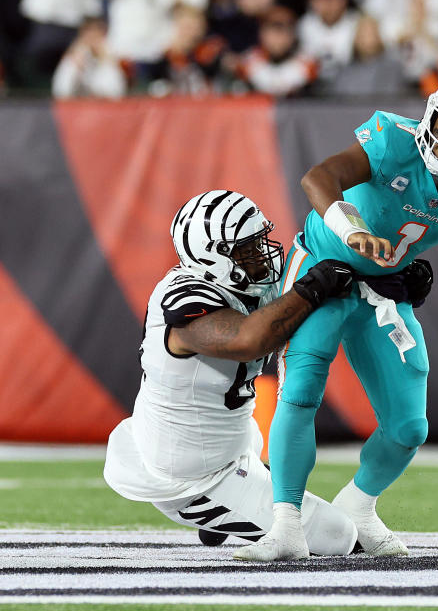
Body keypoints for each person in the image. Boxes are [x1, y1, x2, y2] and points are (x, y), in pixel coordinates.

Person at [233, 73, 438, 561]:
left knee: (409, 426)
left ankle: (360, 505)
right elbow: (318, 178)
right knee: (301, 390)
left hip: (385, 291)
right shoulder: (393, 137)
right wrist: (353, 232)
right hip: (322, 272)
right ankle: (285, 524)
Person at [103, 190, 358, 556]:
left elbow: (316, 289)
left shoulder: (247, 284)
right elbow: (248, 340)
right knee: (339, 538)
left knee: (263, 463)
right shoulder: (185, 299)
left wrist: (392, 282)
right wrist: (313, 287)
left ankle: (239, 500)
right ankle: (216, 511)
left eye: (259, 241)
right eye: (247, 248)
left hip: (231, 438)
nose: (262, 253)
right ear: (214, 257)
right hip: (189, 478)